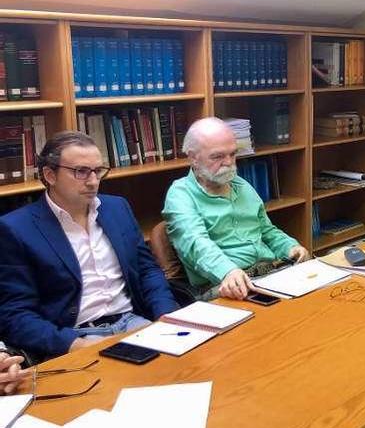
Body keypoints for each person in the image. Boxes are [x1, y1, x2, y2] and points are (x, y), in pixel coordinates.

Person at [0, 132, 179, 361]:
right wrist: (75, 345)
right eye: (81, 172)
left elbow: (147, 271)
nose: (93, 181)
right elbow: (15, 314)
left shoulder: (117, 208)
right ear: (49, 175)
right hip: (74, 337)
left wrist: (166, 314)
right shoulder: (15, 228)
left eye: (98, 171)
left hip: (134, 323)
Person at [163, 117, 310, 301]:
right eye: (218, 156)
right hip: (224, 285)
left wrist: (290, 246)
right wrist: (228, 272)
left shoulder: (242, 185)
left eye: (232, 154)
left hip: (271, 272)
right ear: (193, 158)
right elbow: (196, 245)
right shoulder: (181, 194)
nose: (228, 162)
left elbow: (266, 231)